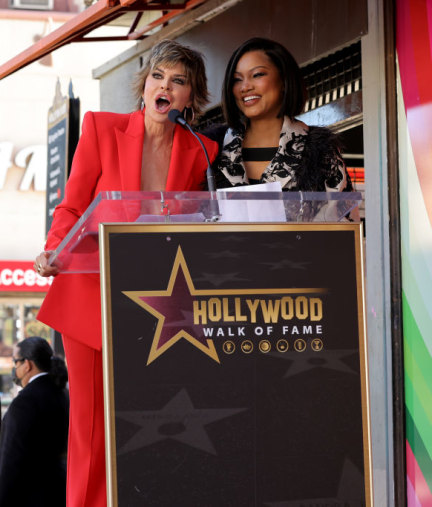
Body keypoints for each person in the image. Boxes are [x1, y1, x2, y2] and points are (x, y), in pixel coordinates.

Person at [34, 39, 218, 506]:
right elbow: (73, 204)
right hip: (91, 296)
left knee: (154, 419)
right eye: (158, 76)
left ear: (190, 98)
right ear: (144, 85)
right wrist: (54, 250)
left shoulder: (202, 152)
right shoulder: (101, 129)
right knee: (90, 426)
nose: (166, 87)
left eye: (178, 82)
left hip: (159, 305)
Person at [212, 37, 351, 192]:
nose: (245, 87)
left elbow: (343, 214)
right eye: (237, 79)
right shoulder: (211, 149)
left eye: (257, 74)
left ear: (284, 80)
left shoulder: (321, 151)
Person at [0, 337, 69, 507]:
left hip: (30, 497)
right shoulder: (63, 395)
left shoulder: (25, 402)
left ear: (27, 364)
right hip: (61, 493)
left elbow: (10, 463)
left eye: (15, 362)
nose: (15, 369)